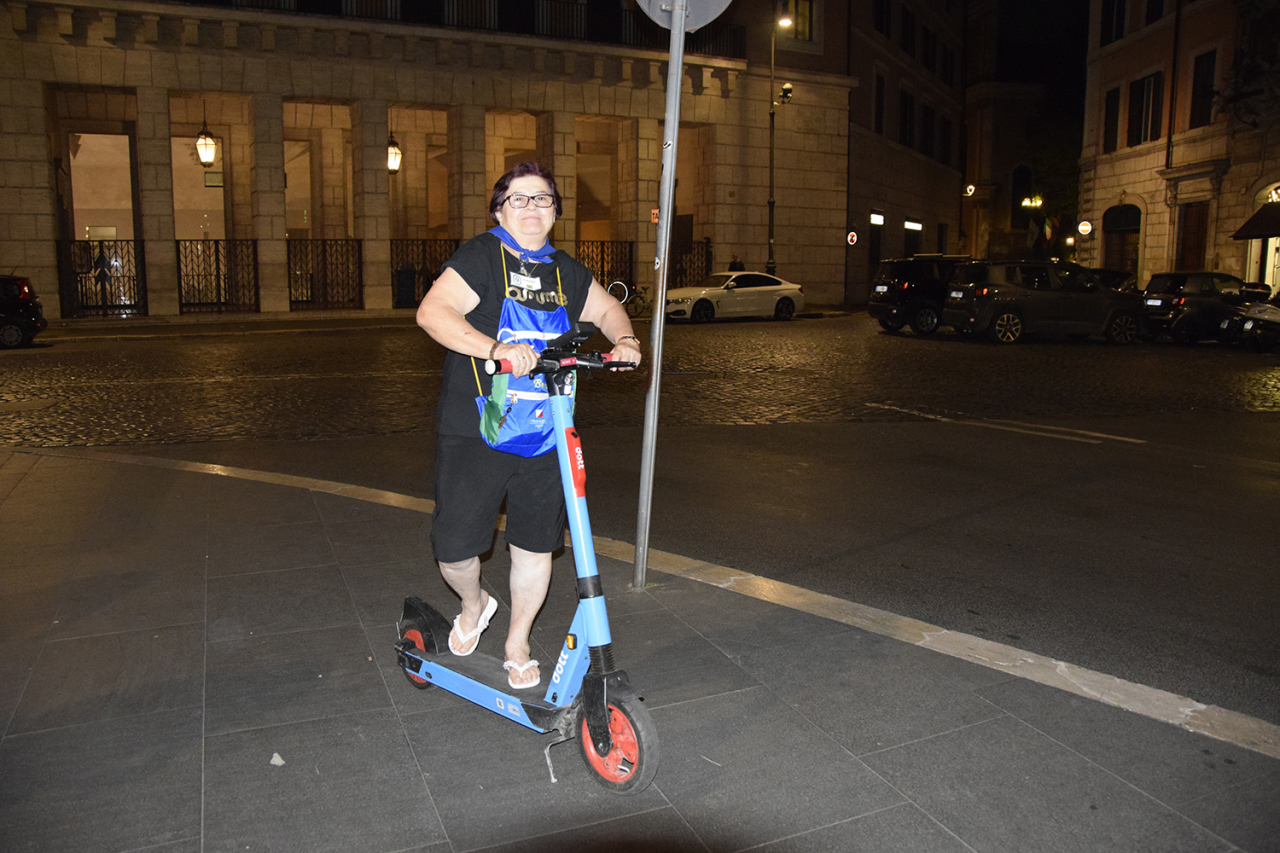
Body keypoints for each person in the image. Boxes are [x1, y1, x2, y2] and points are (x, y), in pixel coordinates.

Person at [416, 161, 642, 690]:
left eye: (542, 198)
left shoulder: (566, 271)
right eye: (518, 198)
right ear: (499, 211)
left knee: (536, 545)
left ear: (555, 212)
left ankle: (517, 642)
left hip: (546, 428)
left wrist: (625, 340)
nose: (531, 207)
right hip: (477, 425)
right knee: (454, 548)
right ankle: (474, 605)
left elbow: (608, 309)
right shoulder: (481, 257)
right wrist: (495, 348)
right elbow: (433, 313)